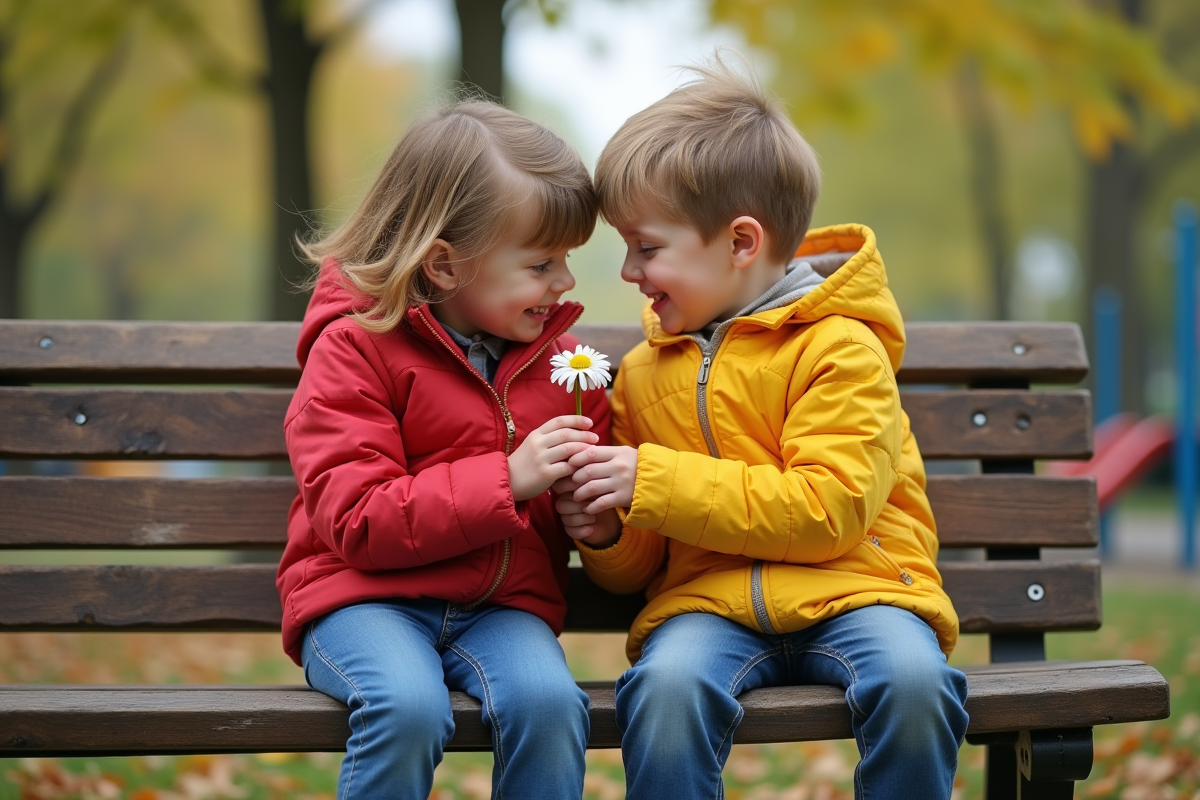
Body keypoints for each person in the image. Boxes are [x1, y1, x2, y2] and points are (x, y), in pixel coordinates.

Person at [555, 56, 969, 800]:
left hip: (861, 592)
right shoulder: (647, 372)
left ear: (741, 242)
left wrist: (651, 479)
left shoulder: (840, 348)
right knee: (666, 690)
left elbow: (827, 511)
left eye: (647, 247)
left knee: (913, 683)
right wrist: (607, 531)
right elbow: (643, 567)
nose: (627, 272)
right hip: (707, 605)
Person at [276, 98, 609, 800]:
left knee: (551, 707)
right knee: (406, 707)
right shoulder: (353, 349)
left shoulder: (566, 369)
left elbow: (602, 522)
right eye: (542, 262)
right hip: (364, 602)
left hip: (501, 610)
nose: (565, 283)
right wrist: (507, 480)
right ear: (445, 265)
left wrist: (600, 521)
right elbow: (357, 517)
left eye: (568, 259)